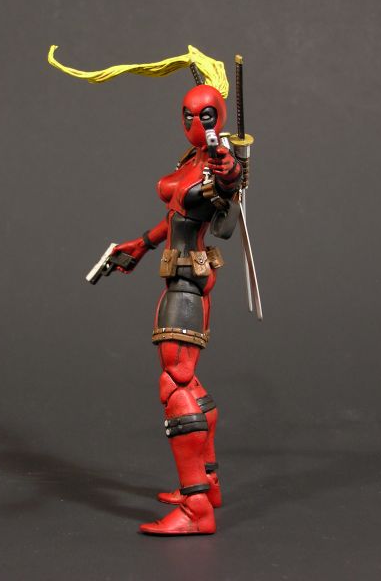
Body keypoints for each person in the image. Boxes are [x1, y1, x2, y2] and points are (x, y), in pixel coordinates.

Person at [48, 46, 242, 535]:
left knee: (175, 383)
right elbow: (178, 216)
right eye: (187, 115)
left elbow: (226, 191)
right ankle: (208, 483)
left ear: (219, 116)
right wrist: (142, 243)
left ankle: (195, 508)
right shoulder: (192, 159)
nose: (194, 123)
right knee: (188, 382)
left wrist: (230, 171)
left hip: (188, 282)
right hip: (179, 275)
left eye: (205, 115)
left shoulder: (215, 163)